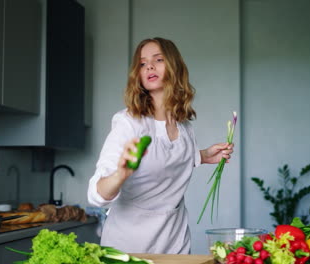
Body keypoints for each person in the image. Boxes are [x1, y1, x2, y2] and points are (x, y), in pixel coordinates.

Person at [87, 37, 234, 254]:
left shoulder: (183, 125)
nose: (150, 67)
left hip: (175, 240)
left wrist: (203, 155)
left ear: (174, 66)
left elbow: (171, 160)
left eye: (158, 59)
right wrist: (120, 175)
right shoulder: (128, 123)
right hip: (129, 245)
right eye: (142, 63)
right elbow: (95, 195)